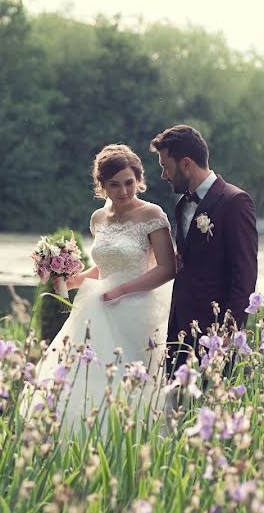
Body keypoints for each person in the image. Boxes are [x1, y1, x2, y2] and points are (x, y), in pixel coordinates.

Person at [25, 144, 176, 431]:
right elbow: (105, 267)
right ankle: (81, 434)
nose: (123, 191)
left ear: (139, 179)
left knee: (131, 376)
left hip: (137, 306)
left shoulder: (152, 215)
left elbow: (168, 268)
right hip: (98, 304)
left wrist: (122, 291)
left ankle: (133, 436)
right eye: (114, 185)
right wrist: (76, 279)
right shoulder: (98, 219)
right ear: (102, 186)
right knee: (85, 372)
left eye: (129, 182)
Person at [149, 125, 258, 378]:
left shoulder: (235, 202)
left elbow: (244, 278)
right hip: (179, 331)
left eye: (166, 166)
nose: (163, 174)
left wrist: (226, 339)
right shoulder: (181, 206)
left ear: (186, 164)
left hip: (213, 338)